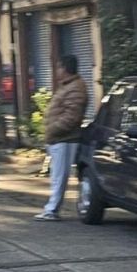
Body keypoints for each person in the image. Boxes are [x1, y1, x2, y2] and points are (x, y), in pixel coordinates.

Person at [35, 55, 88, 221]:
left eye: (58, 67)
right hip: (58, 139)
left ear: (65, 69)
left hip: (65, 139)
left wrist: (52, 129)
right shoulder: (68, 86)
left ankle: (52, 210)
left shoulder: (75, 88)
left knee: (60, 176)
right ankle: (51, 208)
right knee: (57, 175)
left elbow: (72, 116)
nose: (56, 71)